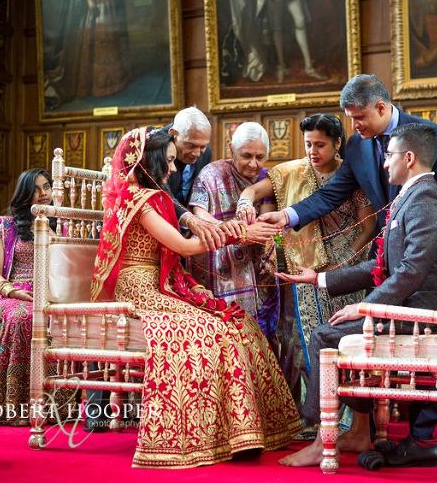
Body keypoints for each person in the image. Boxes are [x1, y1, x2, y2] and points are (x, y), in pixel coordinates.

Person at [91, 127, 300, 468]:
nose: (173, 170)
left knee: (237, 322)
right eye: (169, 161)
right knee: (211, 330)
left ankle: (241, 432)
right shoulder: (138, 199)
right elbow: (185, 246)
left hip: (162, 283)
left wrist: (235, 231)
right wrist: (239, 233)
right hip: (139, 286)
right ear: (152, 160)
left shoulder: (149, 194)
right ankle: (202, 434)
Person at [275, 123, 437, 468]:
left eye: (389, 156)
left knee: (325, 337)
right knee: (337, 331)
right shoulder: (413, 195)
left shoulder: (427, 199)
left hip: (425, 312)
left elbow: (410, 272)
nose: (385, 164)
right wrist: (321, 279)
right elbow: (382, 264)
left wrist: (364, 307)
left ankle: (320, 437)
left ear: (409, 157)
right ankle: (357, 433)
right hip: (411, 308)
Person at [258, 74, 437, 291]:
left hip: (431, 261)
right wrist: (286, 216)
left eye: (359, 117)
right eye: (350, 118)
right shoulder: (356, 145)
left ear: (381, 108)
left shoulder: (427, 134)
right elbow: (332, 193)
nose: (354, 125)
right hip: (384, 260)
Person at [236, 113, 376, 401]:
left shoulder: (350, 176)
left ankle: (347, 416)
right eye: (308, 144)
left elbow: (368, 226)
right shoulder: (292, 172)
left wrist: (344, 260)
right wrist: (244, 203)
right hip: (302, 269)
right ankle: (308, 414)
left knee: (342, 340)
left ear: (338, 144)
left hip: (343, 273)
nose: (313, 152)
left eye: (320, 145)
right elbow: (252, 190)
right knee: (301, 340)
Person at [0, 169, 57, 425]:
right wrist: (13, 291)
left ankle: (55, 407)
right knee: (24, 318)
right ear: (25, 192)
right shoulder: (7, 226)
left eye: (47, 187)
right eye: (37, 188)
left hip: (52, 294)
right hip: (16, 294)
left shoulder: (61, 222)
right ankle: (15, 405)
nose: (44, 194)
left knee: (62, 321)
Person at [188, 122, 280, 337]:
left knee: (261, 332)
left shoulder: (267, 179)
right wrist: (228, 230)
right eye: (246, 155)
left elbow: (268, 218)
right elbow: (198, 213)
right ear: (231, 150)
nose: (253, 164)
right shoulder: (211, 174)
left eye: (260, 156)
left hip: (257, 264)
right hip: (219, 263)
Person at [163, 106, 225, 250]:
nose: (197, 153)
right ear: (173, 133)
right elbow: (161, 193)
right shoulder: (157, 148)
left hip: (187, 230)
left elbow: (199, 193)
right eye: (190, 145)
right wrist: (190, 221)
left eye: (202, 146)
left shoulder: (206, 153)